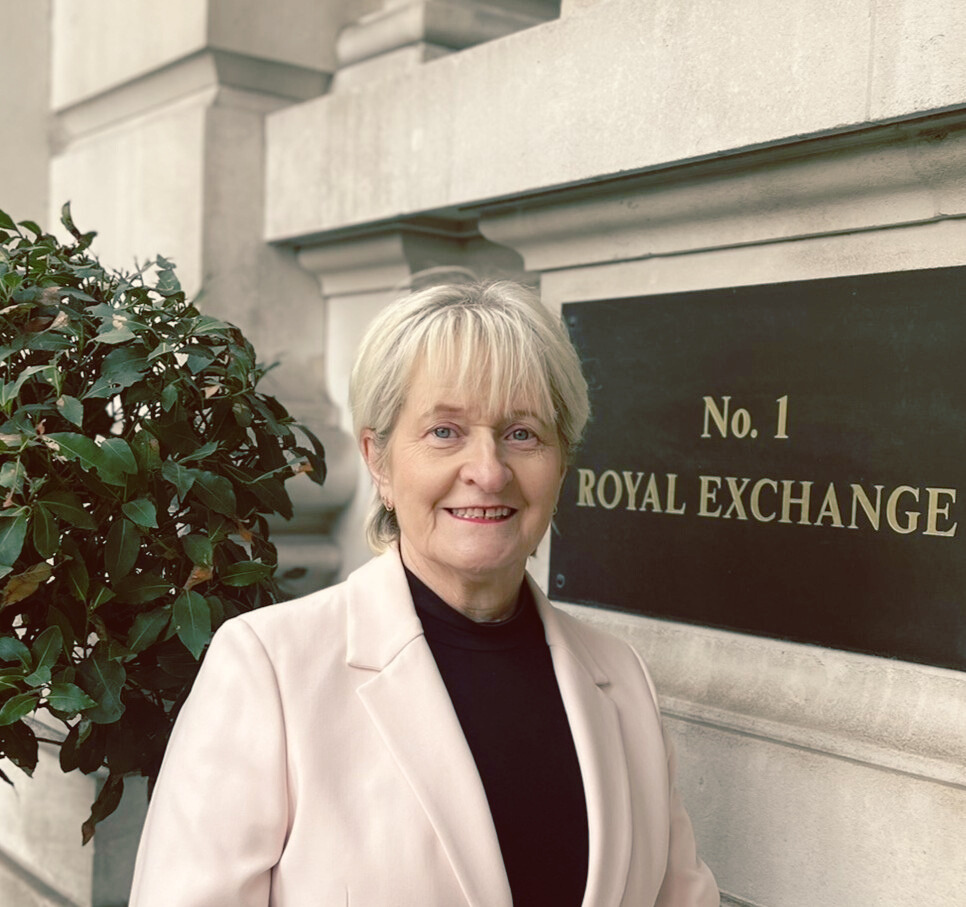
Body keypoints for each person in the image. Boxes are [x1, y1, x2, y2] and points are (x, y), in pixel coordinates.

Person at [129, 280, 718, 906]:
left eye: (523, 433)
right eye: (445, 431)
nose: (489, 471)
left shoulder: (621, 678)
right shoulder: (270, 668)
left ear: (562, 461)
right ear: (378, 460)